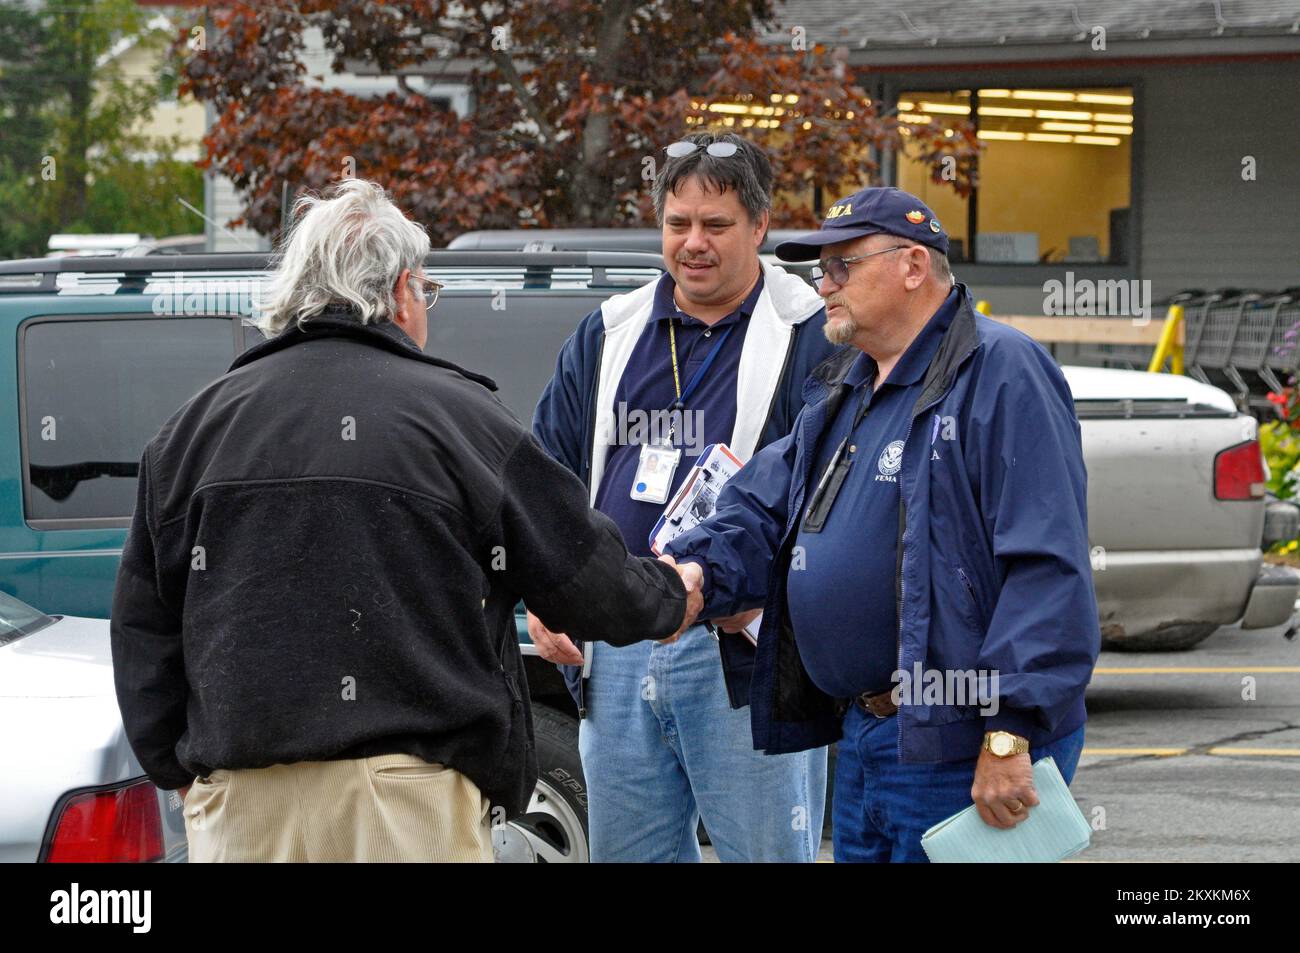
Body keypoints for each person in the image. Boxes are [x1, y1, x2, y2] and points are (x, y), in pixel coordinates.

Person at [110, 178, 701, 863]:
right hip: (407, 802)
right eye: (426, 292)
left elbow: (143, 629)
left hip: (242, 802)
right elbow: (584, 576)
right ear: (399, 293)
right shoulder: (459, 419)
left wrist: (178, 770)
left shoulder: (191, 432)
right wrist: (673, 590)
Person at [664, 185, 1100, 862]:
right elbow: (761, 506)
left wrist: (1009, 732)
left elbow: (1044, 566)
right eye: (821, 269)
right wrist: (692, 574)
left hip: (956, 740)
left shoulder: (1000, 370)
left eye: (843, 266)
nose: (825, 286)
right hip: (866, 732)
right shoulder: (847, 386)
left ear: (913, 266)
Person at [529, 133, 837, 862]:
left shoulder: (813, 335)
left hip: (743, 652)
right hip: (620, 644)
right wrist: (544, 594)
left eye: (716, 225)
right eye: (678, 223)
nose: (693, 243)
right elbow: (541, 480)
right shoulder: (609, 332)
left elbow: (831, 493)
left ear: (761, 227)